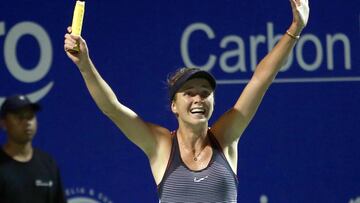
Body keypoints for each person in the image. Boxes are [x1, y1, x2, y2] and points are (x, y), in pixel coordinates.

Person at [64, 0, 309, 202]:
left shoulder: (226, 137)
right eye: (189, 93)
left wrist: (295, 29)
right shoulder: (160, 145)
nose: (198, 99)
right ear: (174, 106)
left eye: (204, 92)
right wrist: (85, 66)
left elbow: (260, 80)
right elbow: (113, 109)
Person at [0, 95, 67, 203]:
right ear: (3, 123)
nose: (27, 122)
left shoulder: (48, 163)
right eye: (19, 117)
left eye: (30, 116)